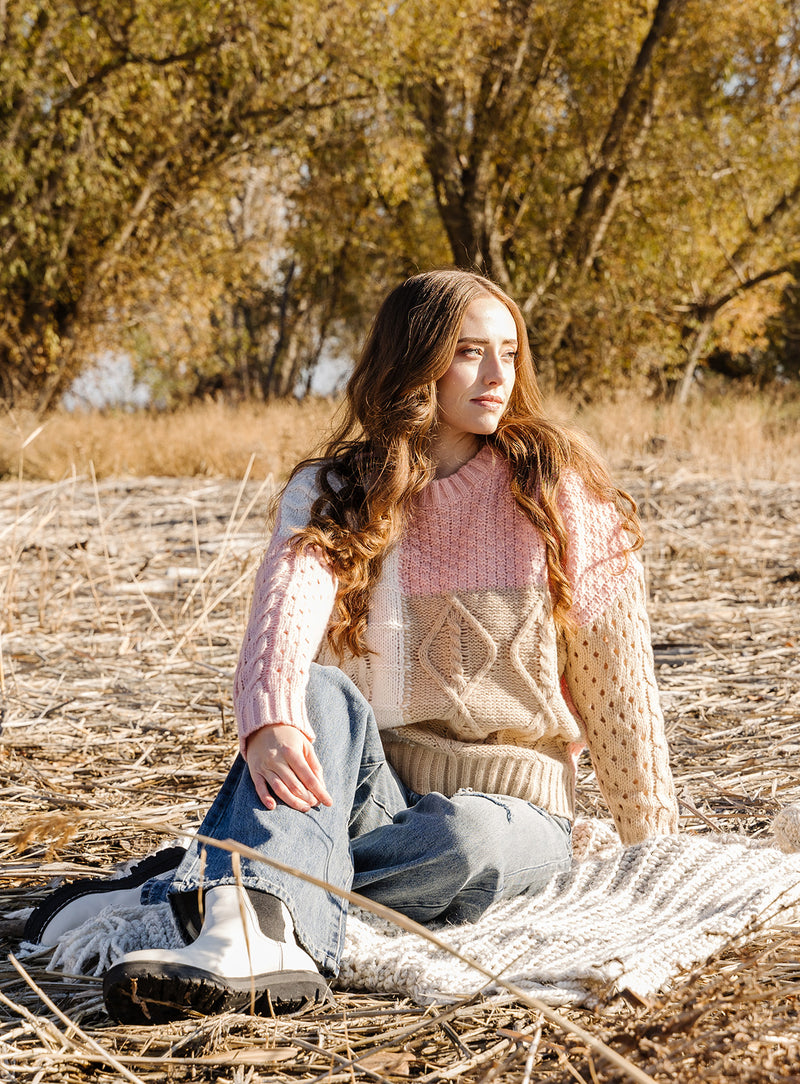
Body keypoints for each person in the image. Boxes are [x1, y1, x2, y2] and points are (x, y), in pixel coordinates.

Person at [25, 269, 679, 1023]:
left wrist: (655, 851)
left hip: (515, 815)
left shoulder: (556, 490)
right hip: (371, 796)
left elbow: (620, 690)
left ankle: (214, 885)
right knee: (312, 691)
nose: (499, 375)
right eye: (469, 352)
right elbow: (286, 616)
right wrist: (269, 717)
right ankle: (255, 935)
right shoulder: (334, 490)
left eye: (509, 351)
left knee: (466, 838)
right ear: (414, 359)